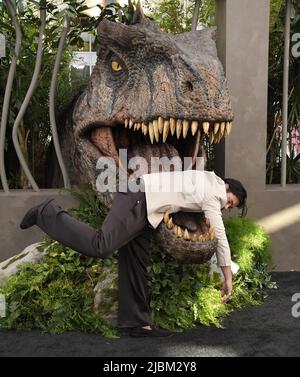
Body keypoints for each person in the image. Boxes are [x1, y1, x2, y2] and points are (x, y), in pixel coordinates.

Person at [20, 170, 247, 338]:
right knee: (101, 245)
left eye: (230, 206)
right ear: (225, 187)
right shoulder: (214, 193)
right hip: (138, 198)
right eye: (230, 201)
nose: (226, 207)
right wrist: (228, 277)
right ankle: (47, 212)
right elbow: (220, 236)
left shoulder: (207, 178)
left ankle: (137, 323)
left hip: (146, 207)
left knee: (136, 263)